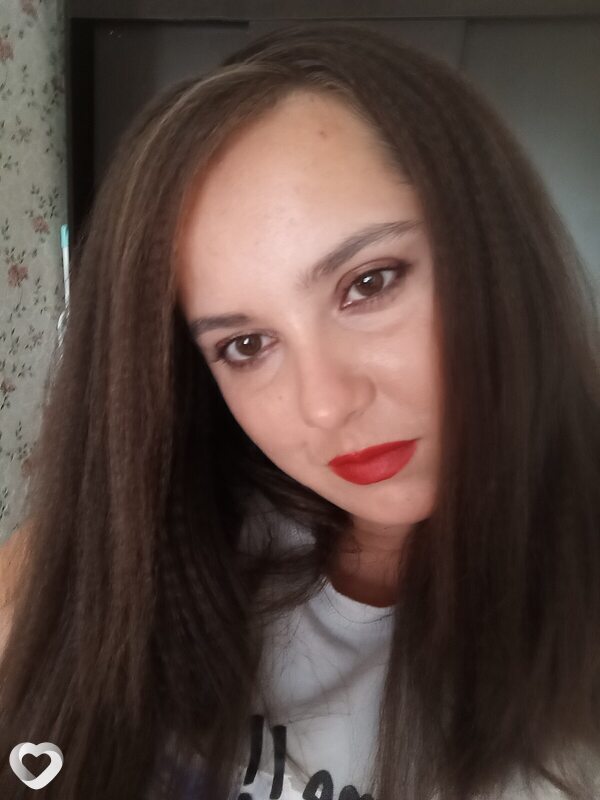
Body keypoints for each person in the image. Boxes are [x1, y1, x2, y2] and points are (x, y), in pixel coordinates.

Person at [0, 21, 598, 800]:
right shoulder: (151, 545)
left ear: (493, 249)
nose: (325, 405)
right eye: (246, 345)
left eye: (369, 283)